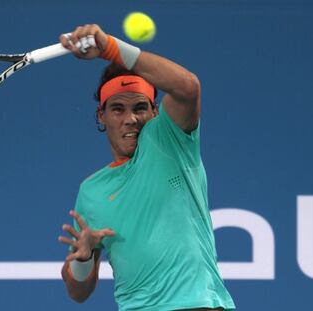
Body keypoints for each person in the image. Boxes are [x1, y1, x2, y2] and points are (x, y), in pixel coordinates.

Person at [58, 24, 235, 311]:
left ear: (154, 111)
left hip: (198, 304)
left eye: (140, 107)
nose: (130, 119)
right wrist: (85, 256)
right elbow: (78, 292)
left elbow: (188, 87)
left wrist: (111, 49)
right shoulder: (91, 191)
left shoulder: (168, 138)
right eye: (118, 109)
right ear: (101, 115)